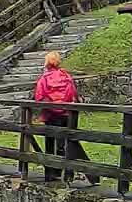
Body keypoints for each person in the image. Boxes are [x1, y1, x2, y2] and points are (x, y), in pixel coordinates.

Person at [33, 51, 94, 185]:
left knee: (50, 143)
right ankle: (66, 172)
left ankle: (50, 173)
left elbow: (39, 97)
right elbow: (73, 94)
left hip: (50, 115)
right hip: (66, 114)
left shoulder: (44, 79)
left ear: (47, 63)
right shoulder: (66, 76)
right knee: (67, 143)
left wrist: (49, 104)